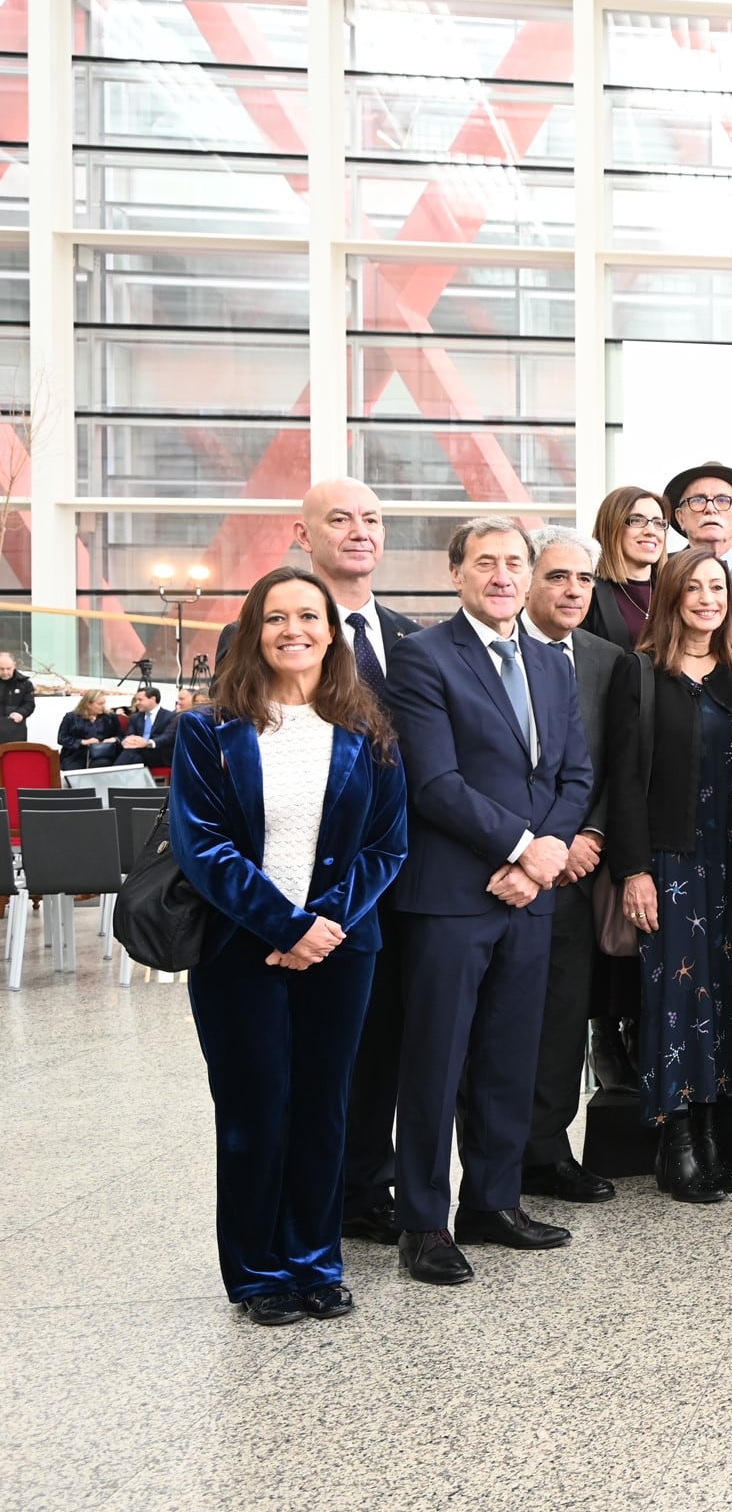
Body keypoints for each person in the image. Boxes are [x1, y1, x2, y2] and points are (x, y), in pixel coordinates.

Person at [171, 567, 407, 1325]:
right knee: (252, 1111)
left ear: (332, 631)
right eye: (276, 617)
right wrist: (285, 924)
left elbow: (387, 844)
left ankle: (316, 1261)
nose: (293, 629)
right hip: (239, 949)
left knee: (322, 1109)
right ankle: (257, 1272)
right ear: (253, 629)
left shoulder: (368, 728)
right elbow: (201, 845)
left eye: (309, 615)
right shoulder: (210, 729)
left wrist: (324, 922)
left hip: (342, 947)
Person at [386, 519, 592, 1286]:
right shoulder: (423, 658)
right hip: (452, 896)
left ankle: (493, 1200)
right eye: (487, 563)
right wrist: (521, 848)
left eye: (515, 563)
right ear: (456, 573)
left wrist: (541, 861)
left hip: (529, 896)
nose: (503, 575)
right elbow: (434, 782)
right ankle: (424, 1222)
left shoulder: (551, 663)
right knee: (437, 1063)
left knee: (511, 1053)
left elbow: (575, 774)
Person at [251, 477, 416, 1249]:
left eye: (372, 519)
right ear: (303, 533)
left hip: (386, 887)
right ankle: (289, 1216)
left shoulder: (410, 636)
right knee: (291, 1072)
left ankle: (361, 1189)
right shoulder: (268, 631)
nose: (360, 531)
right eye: (340, 518)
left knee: (376, 1048)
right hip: (284, 898)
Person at [605, 547, 732, 1203]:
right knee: (676, 998)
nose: (706, 598)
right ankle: (676, 1144)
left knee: (726, 993)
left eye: (716, 587)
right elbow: (623, 781)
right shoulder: (639, 673)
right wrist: (634, 869)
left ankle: (711, 1131)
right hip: (671, 857)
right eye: (692, 587)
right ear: (670, 595)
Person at [517, 528, 628, 1207]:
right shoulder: (498, 655)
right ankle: (495, 1162)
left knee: (562, 1020)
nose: (571, 590)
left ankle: (550, 1153)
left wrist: (591, 833)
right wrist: (529, 847)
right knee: (503, 1024)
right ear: (529, 582)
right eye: (557, 576)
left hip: (577, 870)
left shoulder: (608, 660)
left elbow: (621, 762)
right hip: (506, 868)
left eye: (583, 579)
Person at [663, 460, 732, 606]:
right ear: (680, 517)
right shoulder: (660, 570)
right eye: (698, 500)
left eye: (723, 500)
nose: (710, 508)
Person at [584, 485, 668, 651]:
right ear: (611, 527)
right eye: (637, 520)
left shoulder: (676, 590)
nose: (651, 531)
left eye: (659, 523)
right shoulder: (586, 592)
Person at [114, 684, 178, 771]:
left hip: (158, 753)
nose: (137, 703)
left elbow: (167, 737)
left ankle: (113, 776)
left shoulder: (171, 716)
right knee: (136, 758)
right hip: (138, 752)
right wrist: (128, 740)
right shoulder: (135, 717)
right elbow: (130, 734)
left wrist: (146, 743)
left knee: (132, 754)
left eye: (140, 700)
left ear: (153, 699)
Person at [59, 691, 123, 769]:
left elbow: (121, 736)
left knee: (103, 765)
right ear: (88, 704)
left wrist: (114, 739)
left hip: (102, 753)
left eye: (104, 703)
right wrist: (83, 742)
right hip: (76, 754)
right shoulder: (71, 717)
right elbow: (62, 738)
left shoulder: (110, 717)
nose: (103, 706)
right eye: (100, 704)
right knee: (73, 769)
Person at [0, 650, 35, 743]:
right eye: (1, 669)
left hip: (15, 731)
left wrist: (21, 713)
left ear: (14, 665)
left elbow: (29, 703)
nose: (5, 672)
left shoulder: (25, 684)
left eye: (8, 668)